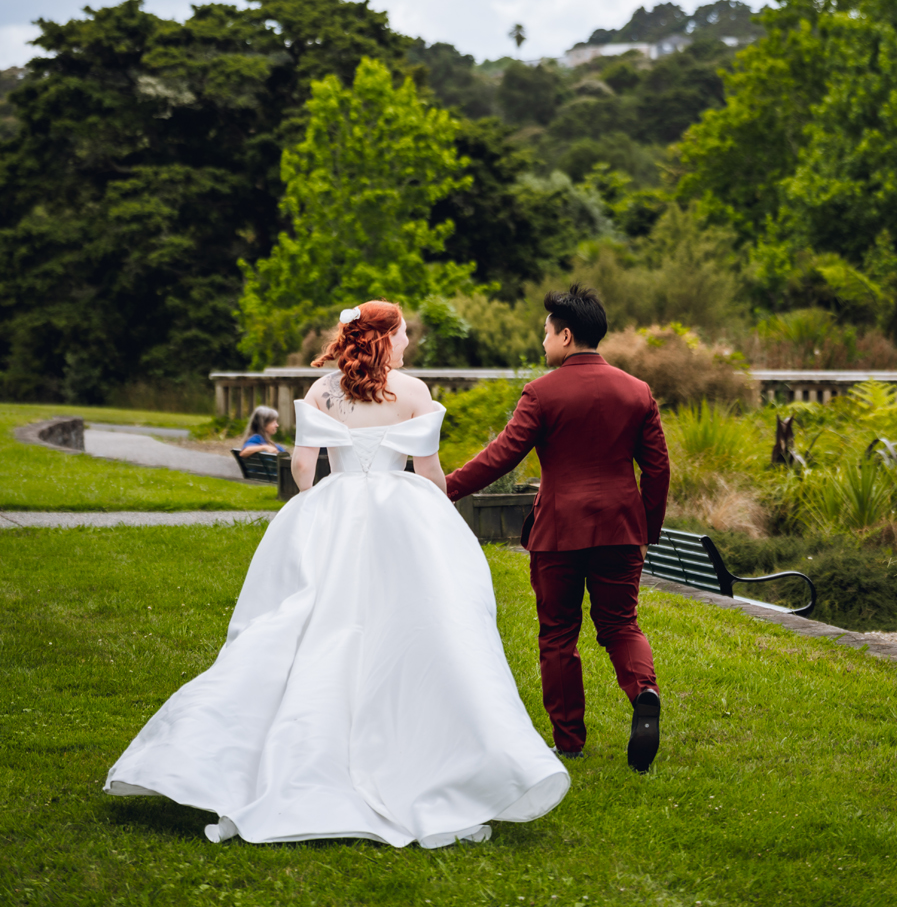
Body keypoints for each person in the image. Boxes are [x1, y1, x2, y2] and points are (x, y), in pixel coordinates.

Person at [105, 299, 569, 848]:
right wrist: (428, 511)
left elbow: (303, 468)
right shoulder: (415, 393)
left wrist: (326, 503)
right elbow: (430, 475)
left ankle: (273, 755)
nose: (407, 345)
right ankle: (423, 759)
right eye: (402, 336)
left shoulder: (321, 392)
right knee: (418, 629)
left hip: (337, 510)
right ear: (385, 338)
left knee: (311, 625)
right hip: (403, 519)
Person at [445, 284, 670, 772]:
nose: (541, 340)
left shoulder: (542, 393)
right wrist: (644, 529)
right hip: (620, 530)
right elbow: (658, 470)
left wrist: (443, 488)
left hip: (559, 534)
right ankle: (644, 690)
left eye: (545, 332)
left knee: (558, 635)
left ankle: (569, 741)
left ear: (566, 335)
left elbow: (502, 456)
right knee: (619, 624)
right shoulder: (637, 391)